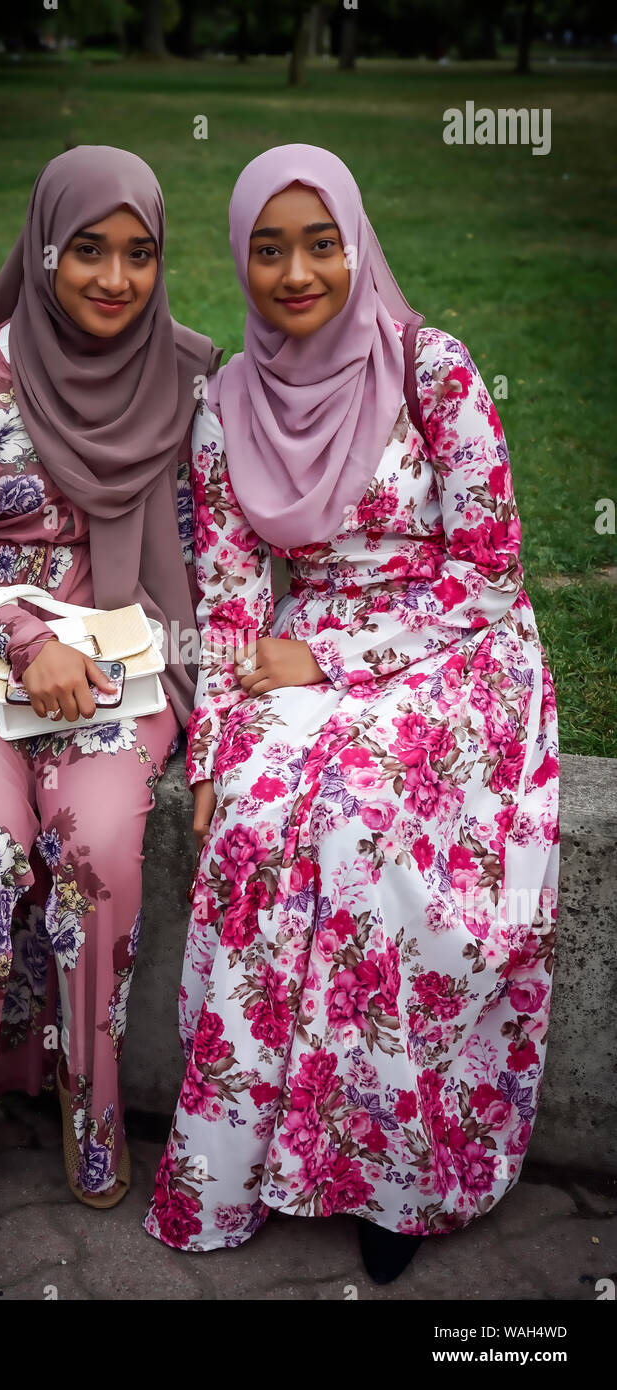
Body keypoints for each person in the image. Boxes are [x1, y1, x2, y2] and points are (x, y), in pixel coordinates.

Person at [142, 144, 560, 1284]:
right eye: (268, 248)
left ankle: (393, 1176)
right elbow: (229, 602)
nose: (296, 271)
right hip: (297, 666)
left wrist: (325, 653)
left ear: (357, 241)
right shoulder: (226, 403)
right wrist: (218, 747)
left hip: (456, 649)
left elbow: (490, 570)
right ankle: (239, 1166)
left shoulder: (435, 370)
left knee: (368, 825)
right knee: (251, 830)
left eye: (320, 242)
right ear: (240, 256)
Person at [0, 145, 221, 1237]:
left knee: (100, 846)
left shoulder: (189, 375)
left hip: (125, 668)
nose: (115, 279)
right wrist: (30, 638)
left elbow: (208, 548)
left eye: (139, 254)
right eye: (89, 251)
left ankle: (92, 1105)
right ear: (45, 249)